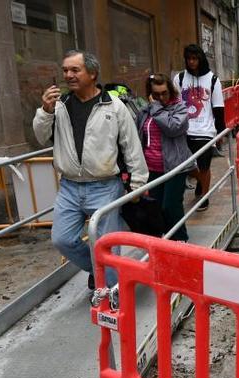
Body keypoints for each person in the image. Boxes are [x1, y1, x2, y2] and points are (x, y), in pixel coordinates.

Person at [32, 50, 148, 290]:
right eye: (65, 70)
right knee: (62, 240)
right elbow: (40, 137)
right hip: (69, 186)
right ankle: (100, 271)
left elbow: (131, 146)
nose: (68, 75)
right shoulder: (59, 106)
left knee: (106, 245)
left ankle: (114, 299)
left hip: (104, 186)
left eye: (75, 70)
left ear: (92, 74)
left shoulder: (113, 106)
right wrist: (45, 111)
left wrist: (138, 184)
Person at [137, 73, 195, 241]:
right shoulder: (144, 111)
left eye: (164, 93)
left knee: (171, 206)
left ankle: (180, 239)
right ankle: (167, 240)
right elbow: (138, 135)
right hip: (152, 168)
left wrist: (156, 108)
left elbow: (173, 127)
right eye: (156, 95)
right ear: (150, 94)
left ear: (171, 91)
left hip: (175, 167)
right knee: (157, 208)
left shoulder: (179, 108)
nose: (161, 98)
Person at [176, 43, 225, 212]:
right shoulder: (180, 78)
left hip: (205, 131)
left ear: (201, 59)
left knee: (204, 166)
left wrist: (221, 133)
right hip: (183, 130)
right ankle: (201, 183)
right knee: (184, 166)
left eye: (195, 58)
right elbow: (175, 104)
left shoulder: (212, 80)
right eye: (189, 59)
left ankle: (204, 196)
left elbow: (218, 108)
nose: (191, 62)